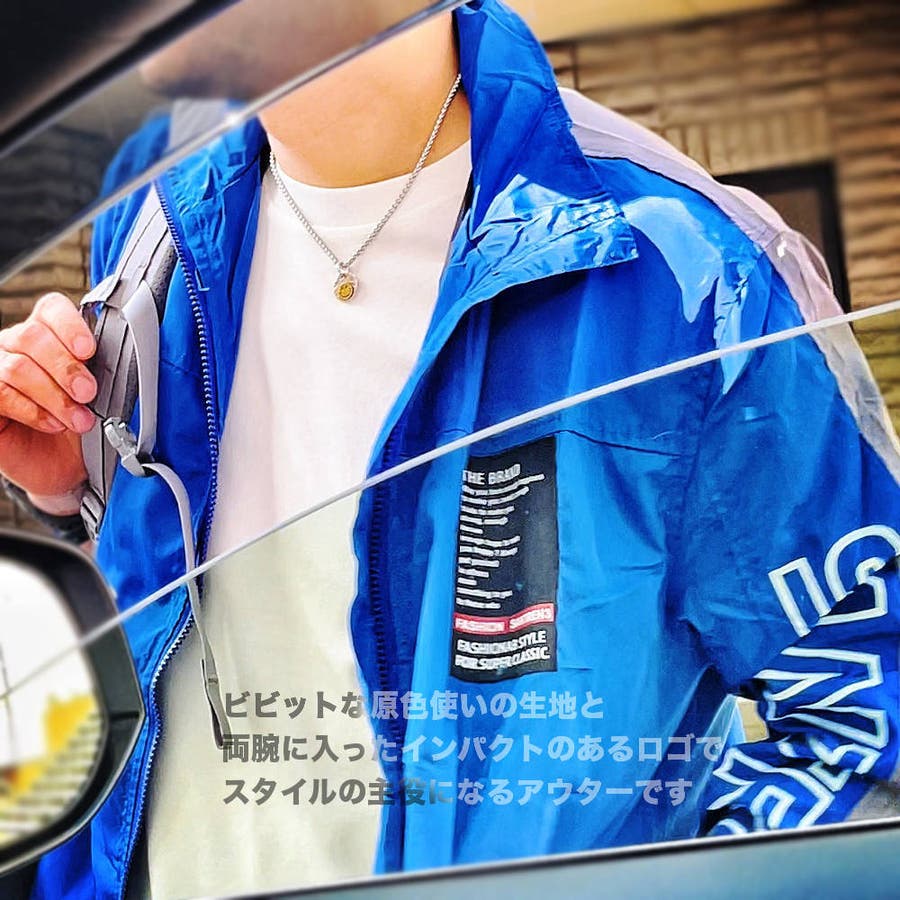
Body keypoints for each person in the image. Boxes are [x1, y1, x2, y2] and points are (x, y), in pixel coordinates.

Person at [1, 1, 898, 897]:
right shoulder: (152, 230)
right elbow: (185, 623)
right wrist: (71, 487)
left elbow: (869, 739)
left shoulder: (687, 277)